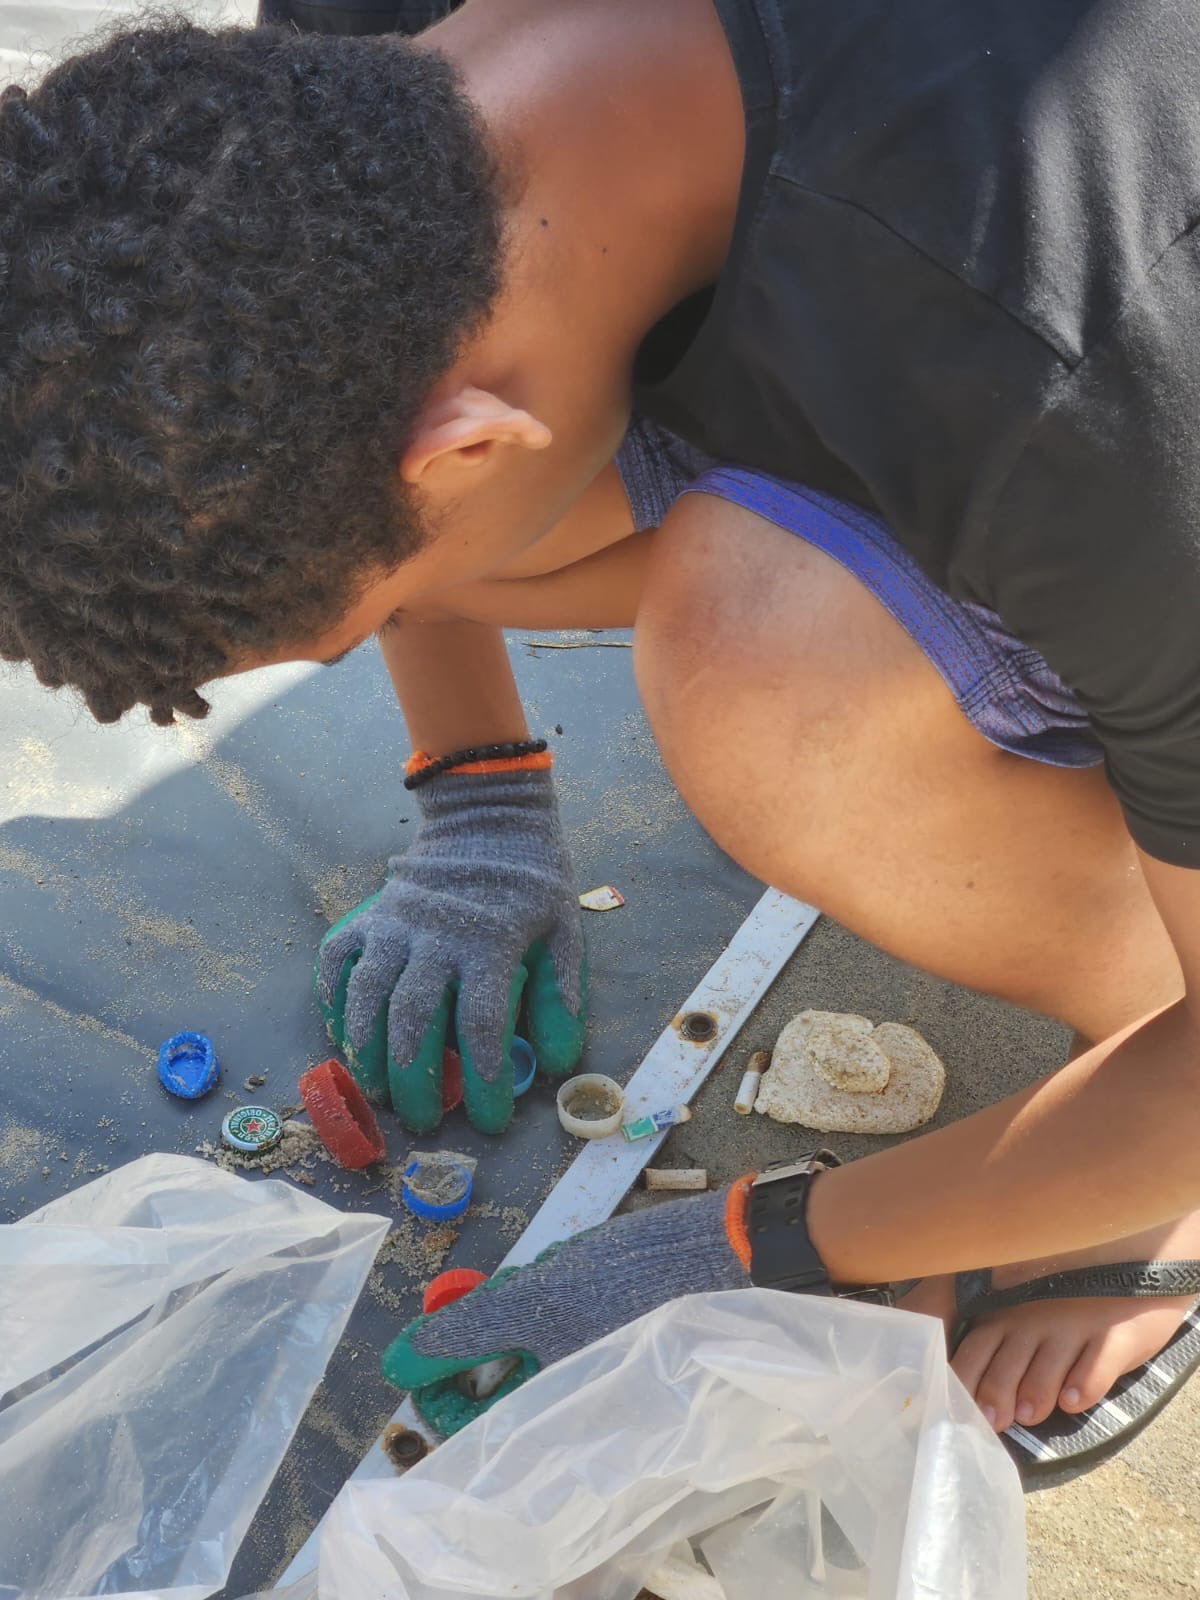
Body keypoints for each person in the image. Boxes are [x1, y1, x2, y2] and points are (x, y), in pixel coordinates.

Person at [2, 0, 1200, 1474]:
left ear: (468, 441)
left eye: (370, 623)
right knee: (432, 530)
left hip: (1117, 414)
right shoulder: (320, 122)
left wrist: (759, 1240)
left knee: (763, 678)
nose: (401, 629)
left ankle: (1142, 1089)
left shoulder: (1094, 379)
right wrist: (478, 800)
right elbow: (348, 373)